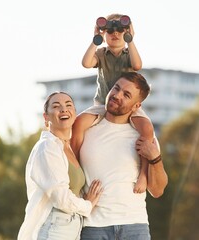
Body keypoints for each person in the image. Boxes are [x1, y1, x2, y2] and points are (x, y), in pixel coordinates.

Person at [71, 72, 168, 239]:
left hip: (134, 226)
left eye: (126, 94)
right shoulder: (87, 129)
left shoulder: (144, 136)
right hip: (93, 226)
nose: (117, 95)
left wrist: (155, 158)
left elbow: (157, 190)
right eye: (116, 88)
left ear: (136, 106)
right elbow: (71, 170)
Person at [79, 13, 154, 193]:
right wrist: (96, 39)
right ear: (104, 33)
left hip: (127, 106)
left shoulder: (129, 53)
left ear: (127, 32)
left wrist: (131, 40)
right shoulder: (101, 53)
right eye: (110, 30)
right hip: (102, 103)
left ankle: (144, 174)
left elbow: (137, 65)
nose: (115, 34)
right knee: (78, 124)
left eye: (120, 30)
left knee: (147, 129)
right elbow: (86, 63)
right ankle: (77, 168)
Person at [17, 92, 103, 240]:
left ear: (74, 113)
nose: (63, 109)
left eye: (68, 105)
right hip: (54, 226)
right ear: (46, 118)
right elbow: (60, 197)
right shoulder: (47, 147)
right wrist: (87, 205)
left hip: (71, 226)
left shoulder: (68, 148)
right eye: (56, 106)